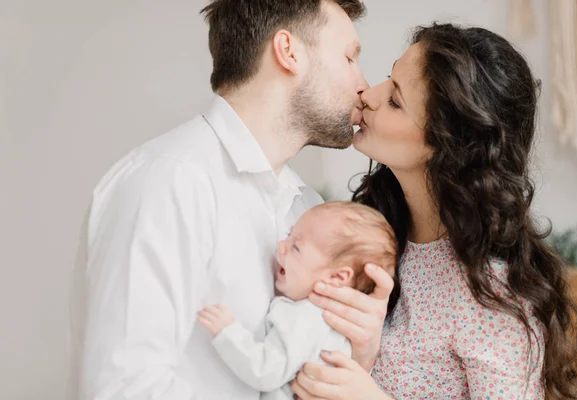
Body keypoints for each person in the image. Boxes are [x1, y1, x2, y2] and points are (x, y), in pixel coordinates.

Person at [67, 1, 395, 399]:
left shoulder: (306, 208)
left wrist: (359, 354)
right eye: (349, 57)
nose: (363, 84)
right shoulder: (167, 183)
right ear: (289, 52)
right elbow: (123, 389)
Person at [291, 23, 577, 400]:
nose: (368, 94)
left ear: (447, 148)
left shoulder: (494, 296)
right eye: (388, 78)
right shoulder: (372, 231)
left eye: (396, 101)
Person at [197, 201, 397, 399]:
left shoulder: (307, 318)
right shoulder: (331, 326)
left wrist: (228, 332)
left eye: (296, 248)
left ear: (337, 278)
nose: (281, 245)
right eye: (288, 235)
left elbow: (266, 372)